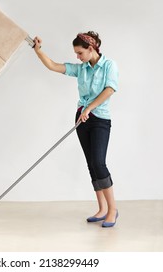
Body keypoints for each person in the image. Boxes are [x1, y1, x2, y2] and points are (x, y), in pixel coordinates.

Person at [33, 31, 119, 228]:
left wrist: (89, 107)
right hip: (82, 119)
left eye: (80, 53)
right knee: (91, 164)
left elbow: (110, 89)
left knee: (99, 163)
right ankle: (102, 209)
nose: (77, 57)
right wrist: (38, 51)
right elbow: (53, 66)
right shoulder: (81, 69)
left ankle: (113, 210)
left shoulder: (109, 65)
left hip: (99, 120)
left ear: (91, 49)